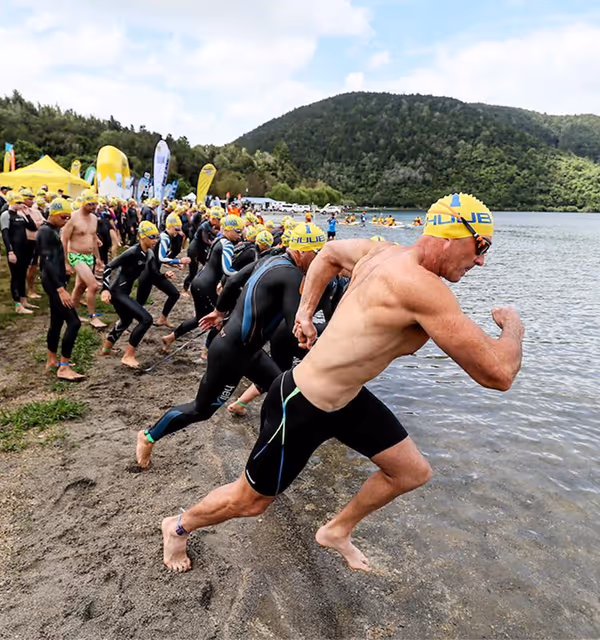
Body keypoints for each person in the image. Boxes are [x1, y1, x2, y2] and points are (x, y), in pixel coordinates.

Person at [157, 193, 524, 574]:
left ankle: (336, 530)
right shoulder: (423, 289)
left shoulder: (381, 253)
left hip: (346, 398)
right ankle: (178, 526)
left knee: (411, 471)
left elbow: (329, 253)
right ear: (451, 236)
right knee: (251, 501)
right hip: (301, 402)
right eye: (481, 246)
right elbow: (498, 373)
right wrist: (513, 324)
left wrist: (305, 312)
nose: (481, 260)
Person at [136, 222, 327, 469]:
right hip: (231, 353)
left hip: (248, 351)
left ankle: (266, 455)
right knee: (201, 410)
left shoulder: (271, 259)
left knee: (283, 394)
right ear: (301, 252)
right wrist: (321, 339)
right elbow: (295, 328)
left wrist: (218, 311)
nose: (321, 260)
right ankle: (148, 436)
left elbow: (234, 279)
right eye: (317, 253)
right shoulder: (292, 275)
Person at [161, 214, 244, 352]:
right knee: (222, 317)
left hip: (198, 282)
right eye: (238, 231)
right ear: (228, 230)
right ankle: (207, 351)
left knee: (200, 318)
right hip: (206, 286)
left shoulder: (219, 240)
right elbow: (227, 270)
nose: (240, 235)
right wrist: (246, 276)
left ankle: (170, 337)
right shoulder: (227, 243)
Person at [100, 221, 160, 369]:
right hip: (117, 291)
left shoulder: (149, 253)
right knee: (146, 319)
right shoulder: (132, 251)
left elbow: (154, 273)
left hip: (124, 291)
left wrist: (166, 275)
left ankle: (106, 349)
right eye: (152, 237)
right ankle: (128, 356)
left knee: (126, 320)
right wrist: (105, 289)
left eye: (157, 237)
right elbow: (108, 267)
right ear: (143, 237)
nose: (155, 240)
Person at [37, 198, 85, 381]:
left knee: (56, 322)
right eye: (64, 217)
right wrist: (60, 289)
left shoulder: (52, 229)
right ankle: (64, 367)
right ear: (55, 214)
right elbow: (47, 263)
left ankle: (51, 360)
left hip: (55, 280)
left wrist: (64, 266)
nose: (67, 221)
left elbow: (55, 256)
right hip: (53, 283)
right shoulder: (45, 232)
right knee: (74, 322)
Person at [61, 190, 106, 328]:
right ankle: (93, 317)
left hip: (88, 256)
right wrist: (66, 262)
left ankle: (70, 315)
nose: (93, 207)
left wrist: (98, 258)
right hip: (75, 254)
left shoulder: (93, 218)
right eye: (90, 204)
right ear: (83, 203)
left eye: (95, 204)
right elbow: (64, 239)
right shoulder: (73, 218)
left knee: (80, 286)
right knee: (93, 286)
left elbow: (92, 238)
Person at [136, 213, 190, 328]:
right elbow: (161, 257)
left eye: (179, 229)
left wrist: (174, 266)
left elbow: (158, 258)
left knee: (174, 294)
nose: (178, 232)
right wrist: (179, 261)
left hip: (154, 273)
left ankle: (163, 319)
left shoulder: (165, 237)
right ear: (169, 226)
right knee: (139, 302)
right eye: (176, 229)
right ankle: (121, 323)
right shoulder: (164, 238)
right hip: (148, 273)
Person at [0, 191, 38, 314]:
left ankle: (24, 300)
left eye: (21, 202)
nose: (21, 204)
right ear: (12, 202)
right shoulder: (6, 215)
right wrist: (10, 251)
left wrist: (27, 213)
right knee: (16, 277)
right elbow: (5, 235)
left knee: (22, 275)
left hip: (24, 250)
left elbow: (33, 227)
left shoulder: (20, 215)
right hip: (14, 250)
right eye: (19, 202)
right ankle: (17, 305)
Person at [182, 210, 220, 295]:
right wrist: (215, 243)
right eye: (218, 220)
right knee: (193, 271)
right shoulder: (204, 225)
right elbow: (205, 240)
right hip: (194, 250)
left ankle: (204, 284)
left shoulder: (209, 225)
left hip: (201, 249)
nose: (219, 222)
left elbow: (211, 236)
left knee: (208, 265)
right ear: (213, 219)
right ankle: (185, 289)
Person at [20, 188, 45, 300]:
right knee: (25, 267)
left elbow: (43, 223)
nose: (31, 201)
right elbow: (31, 225)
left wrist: (36, 224)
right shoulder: (19, 212)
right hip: (25, 242)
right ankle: (22, 290)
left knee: (34, 266)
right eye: (29, 199)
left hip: (36, 241)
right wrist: (36, 224)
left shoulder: (36, 211)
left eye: (32, 198)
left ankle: (31, 289)